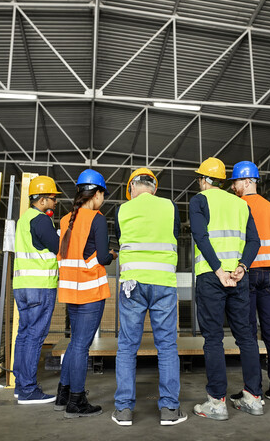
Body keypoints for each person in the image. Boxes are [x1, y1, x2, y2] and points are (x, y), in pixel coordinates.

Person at [112, 168, 187, 426]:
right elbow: (175, 236)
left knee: (127, 346)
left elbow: (120, 239)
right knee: (166, 347)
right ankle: (169, 410)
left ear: (132, 188)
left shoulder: (122, 210)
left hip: (132, 284)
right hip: (163, 283)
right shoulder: (170, 207)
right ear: (154, 187)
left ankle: (123, 410)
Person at [189, 157, 263, 420]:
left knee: (213, 339)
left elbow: (201, 236)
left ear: (205, 180)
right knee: (246, 337)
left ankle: (217, 403)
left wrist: (218, 270)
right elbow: (255, 240)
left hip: (212, 277)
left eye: (200, 178)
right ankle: (254, 399)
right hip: (238, 277)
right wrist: (241, 268)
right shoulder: (241, 204)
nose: (199, 183)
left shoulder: (199, 201)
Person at [55, 169, 117, 418]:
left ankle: (63, 393)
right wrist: (112, 255)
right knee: (82, 346)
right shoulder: (97, 218)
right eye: (103, 194)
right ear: (97, 193)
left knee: (74, 343)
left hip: (71, 290)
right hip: (90, 290)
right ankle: (76, 402)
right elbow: (101, 257)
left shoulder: (65, 219)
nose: (103, 199)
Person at [229, 160, 270, 404]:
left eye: (235, 183)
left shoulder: (239, 206)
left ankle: (252, 390)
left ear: (246, 181)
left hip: (249, 272)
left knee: (248, 333)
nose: (233, 188)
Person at [13, 175, 61, 404]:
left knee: (23, 335)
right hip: (39, 286)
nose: (55, 202)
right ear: (41, 200)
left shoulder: (24, 219)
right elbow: (57, 247)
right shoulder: (41, 220)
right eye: (52, 199)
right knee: (34, 336)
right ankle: (29, 390)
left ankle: (20, 384)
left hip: (22, 286)